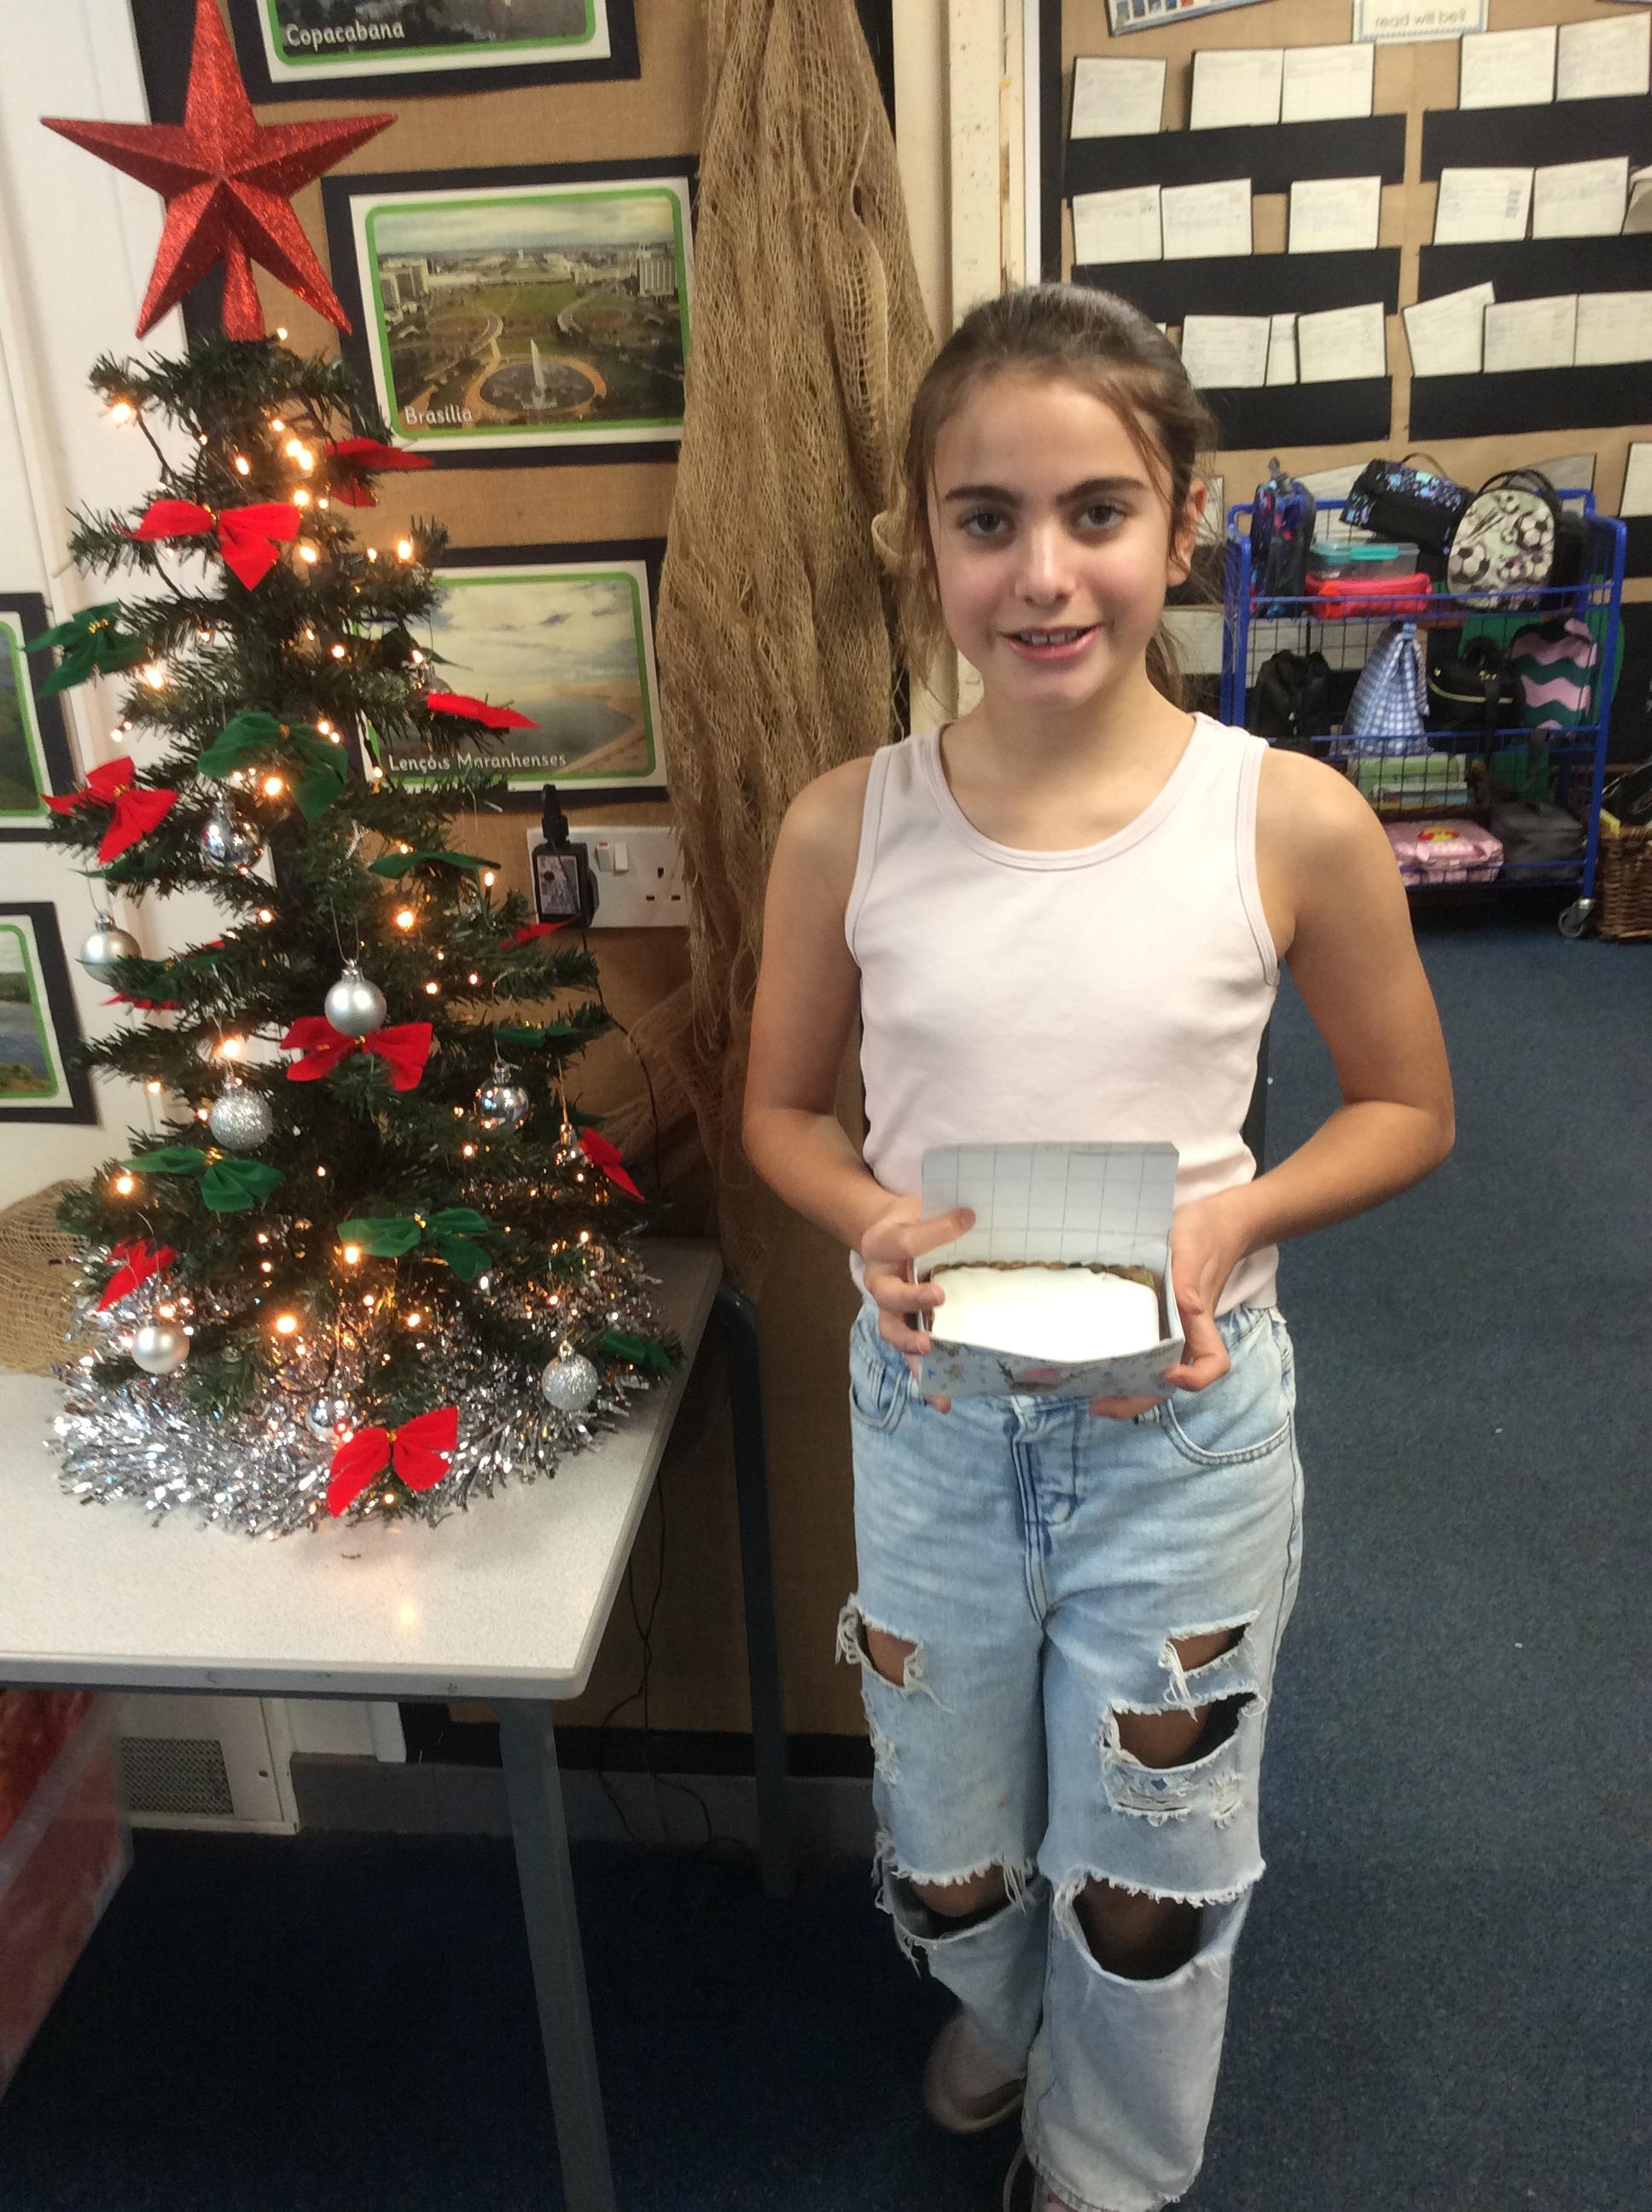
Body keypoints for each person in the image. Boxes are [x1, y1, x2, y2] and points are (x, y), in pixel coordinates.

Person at [742, 284, 1454, 2212]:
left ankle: (1107, 2165)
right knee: (947, 1851)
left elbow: (1407, 1105)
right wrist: (870, 1215)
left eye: (1096, 512)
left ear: (1181, 521)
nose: (1042, 574)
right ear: (922, 542)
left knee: (1149, 1872)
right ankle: (1002, 2006)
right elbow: (782, 1114)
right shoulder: (847, 827)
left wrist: (1241, 1213)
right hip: (935, 1424)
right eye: (986, 520)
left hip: (1178, 1430)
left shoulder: (1287, 817)